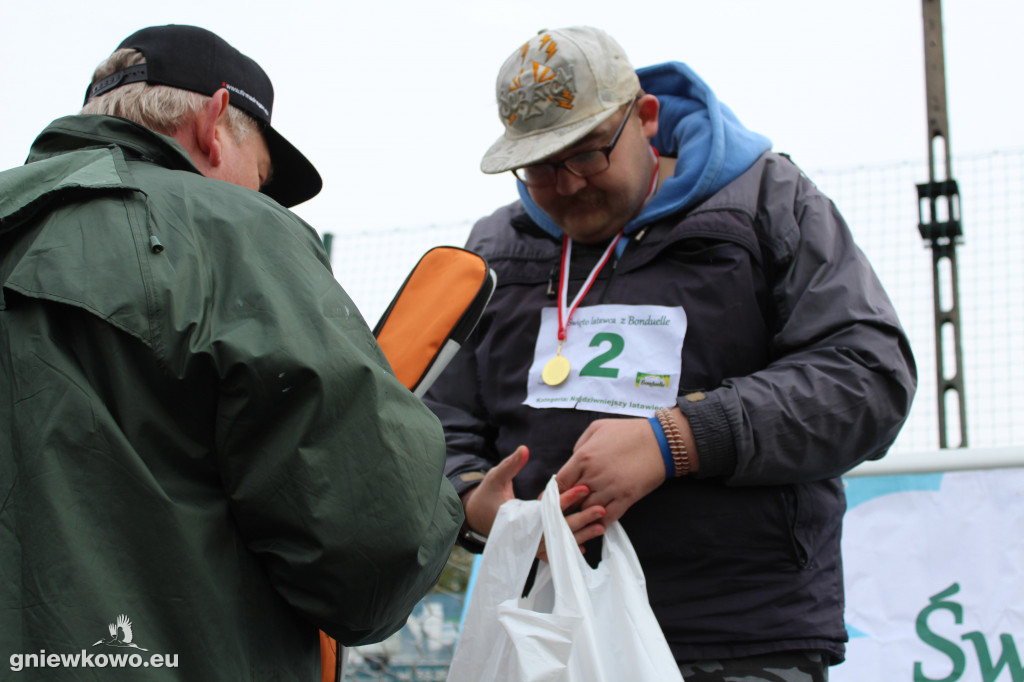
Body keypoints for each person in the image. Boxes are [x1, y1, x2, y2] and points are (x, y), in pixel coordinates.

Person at [424, 26, 917, 681]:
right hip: (550, 632)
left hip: (741, 635)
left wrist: (677, 439)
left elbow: (867, 377)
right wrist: (474, 506)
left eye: (587, 154)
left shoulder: (771, 202)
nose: (567, 185)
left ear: (646, 119)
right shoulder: (495, 249)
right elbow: (432, 422)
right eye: (540, 166)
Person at [0, 24, 462, 680]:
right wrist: (452, 502)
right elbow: (372, 553)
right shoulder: (232, 232)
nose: (258, 194)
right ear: (215, 121)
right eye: (264, 173)